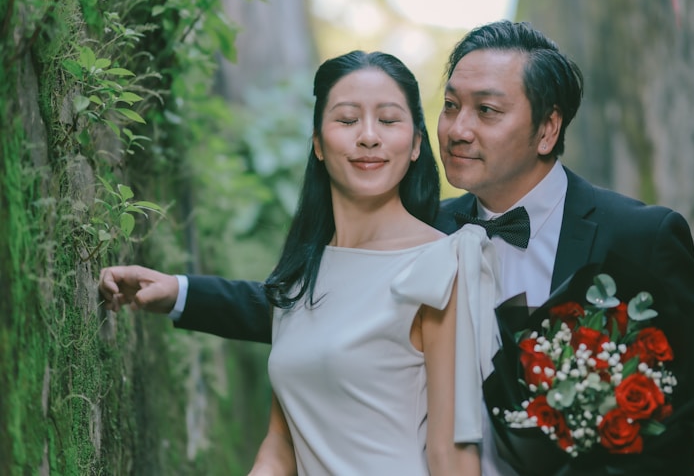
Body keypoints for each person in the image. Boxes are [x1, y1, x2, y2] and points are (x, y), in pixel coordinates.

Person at [100, 21, 694, 475]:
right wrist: (180, 293)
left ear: (548, 127)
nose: (457, 130)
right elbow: (324, 309)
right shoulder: (425, 228)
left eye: (486, 111)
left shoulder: (638, 237)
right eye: (450, 105)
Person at [104, 50, 501, 475]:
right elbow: (281, 442)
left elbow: (452, 453)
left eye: (388, 120)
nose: (368, 136)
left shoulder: (444, 263)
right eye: (347, 120)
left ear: (417, 143)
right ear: (317, 143)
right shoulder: (301, 277)